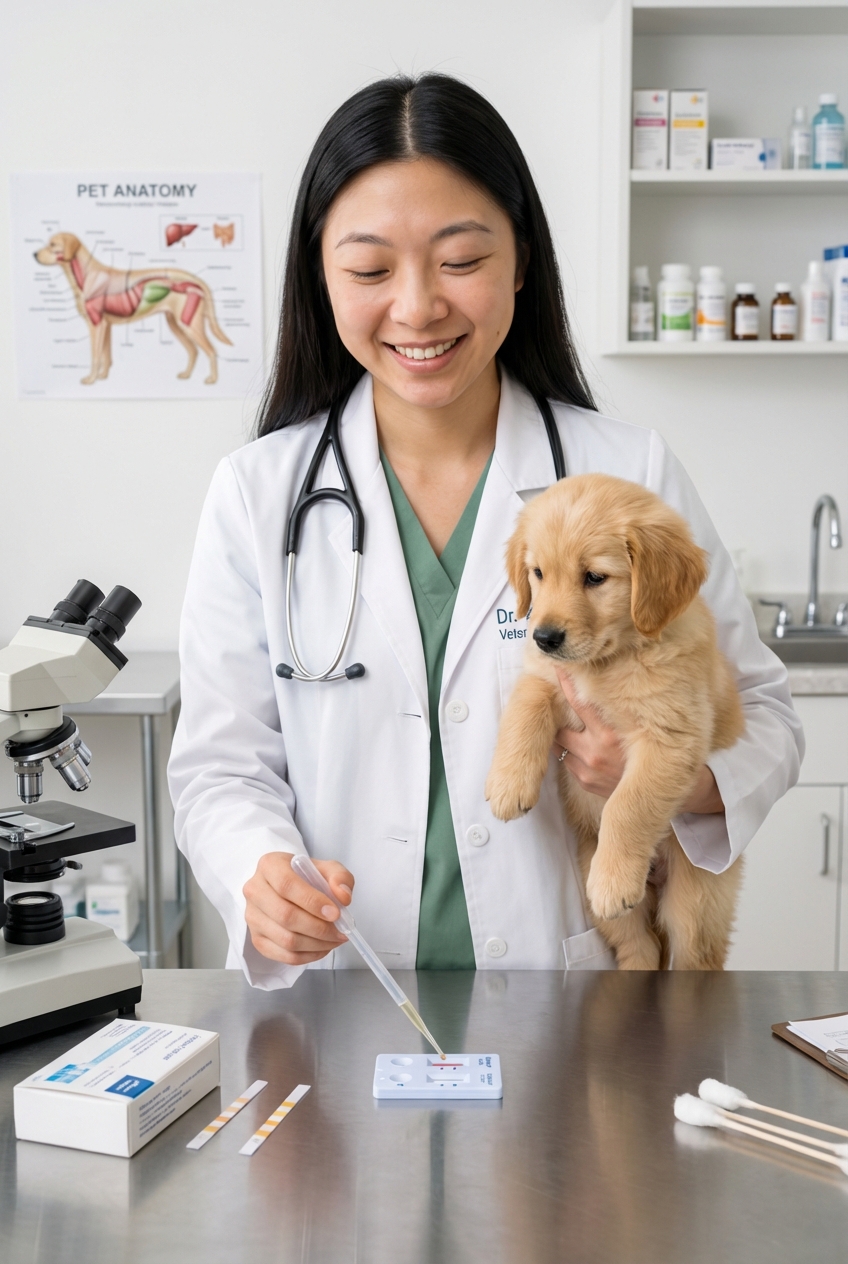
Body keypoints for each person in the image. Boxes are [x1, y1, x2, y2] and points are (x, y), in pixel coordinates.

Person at [168, 74, 803, 985]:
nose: (419, 306)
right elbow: (222, 766)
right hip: (350, 992)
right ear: (321, 275)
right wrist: (258, 874)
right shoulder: (259, 492)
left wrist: (678, 781)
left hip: (573, 989)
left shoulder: (628, 473)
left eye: (461, 261)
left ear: (521, 261)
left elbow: (767, 716)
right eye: (371, 268)